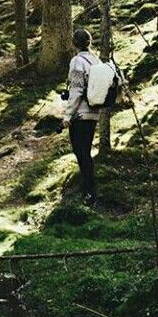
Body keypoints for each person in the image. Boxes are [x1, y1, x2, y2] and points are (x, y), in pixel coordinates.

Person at [63, 28, 100, 204]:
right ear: (89, 42)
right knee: (85, 151)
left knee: (81, 152)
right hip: (94, 113)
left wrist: (68, 115)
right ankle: (88, 188)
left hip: (81, 115)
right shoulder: (95, 60)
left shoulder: (78, 61)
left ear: (74, 44)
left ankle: (90, 192)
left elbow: (76, 90)